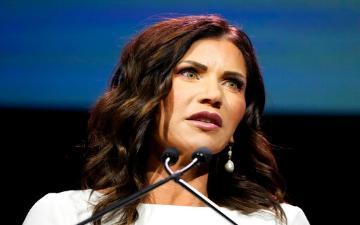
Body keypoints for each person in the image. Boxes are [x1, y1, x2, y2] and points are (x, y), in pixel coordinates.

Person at [23, 15, 310, 225]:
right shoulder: (65, 215)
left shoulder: (277, 223)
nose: (214, 95)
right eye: (190, 73)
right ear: (144, 96)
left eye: (233, 83)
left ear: (238, 126)